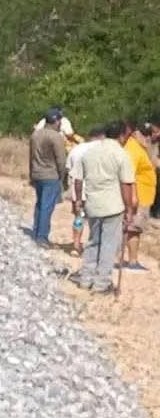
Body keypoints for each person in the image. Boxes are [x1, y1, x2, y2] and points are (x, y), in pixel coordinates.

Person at [69, 122, 136, 294]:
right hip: (113, 206)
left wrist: (79, 200)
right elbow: (126, 184)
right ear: (121, 135)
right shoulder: (121, 154)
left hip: (92, 204)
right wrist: (129, 209)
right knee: (109, 245)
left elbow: (78, 179)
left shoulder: (90, 152)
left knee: (93, 242)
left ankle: (86, 278)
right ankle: (102, 283)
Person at [28, 109, 67, 247]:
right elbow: (61, 160)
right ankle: (42, 237)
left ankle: (36, 232)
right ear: (56, 121)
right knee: (47, 206)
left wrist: (31, 175)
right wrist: (62, 177)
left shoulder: (35, 135)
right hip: (51, 175)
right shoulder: (56, 137)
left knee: (39, 204)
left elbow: (31, 156)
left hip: (37, 173)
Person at [122, 120, 156, 271]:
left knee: (134, 229)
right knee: (133, 229)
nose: (148, 138)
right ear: (137, 133)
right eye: (145, 134)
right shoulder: (133, 149)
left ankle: (130, 260)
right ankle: (132, 261)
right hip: (139, 197)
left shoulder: (140, 147)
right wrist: (133, 197)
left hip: (145, 196)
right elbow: (130, 176)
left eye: (150, 134)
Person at [65, 127, 104, 256]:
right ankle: (94, 248)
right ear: (101, 136)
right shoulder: (102, 149)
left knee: (79, 217)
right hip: (95, 189)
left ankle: (76, 245)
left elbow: (69, 169)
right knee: (96, 220)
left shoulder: (77, 148)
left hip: (78, 190)